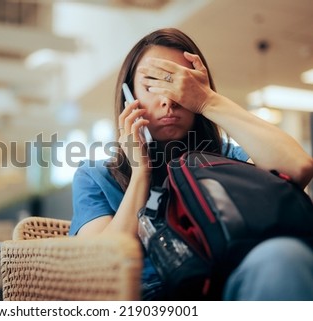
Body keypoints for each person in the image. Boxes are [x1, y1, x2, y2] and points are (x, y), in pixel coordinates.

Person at [69, 28, 313, 300]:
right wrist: (141, 173)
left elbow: (298, 168)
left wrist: (208, 100)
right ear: (129, 97)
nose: (168, 100)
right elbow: (97, 270)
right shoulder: (95, 177)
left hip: (227, 288)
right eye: (152, 85)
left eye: (179, 85)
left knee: (284, 257)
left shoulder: (229, 161)